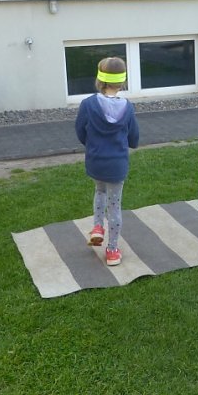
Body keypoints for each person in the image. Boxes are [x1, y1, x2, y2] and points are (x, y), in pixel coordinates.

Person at [75, 57, 140, 266]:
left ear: (99, 79)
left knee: (99, 191)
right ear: (122, 82)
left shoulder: (87, 104)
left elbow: (80, 131)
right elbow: (134, 138)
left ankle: (97, 227)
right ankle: (112, 250)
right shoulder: (128, 108)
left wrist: (93, 145)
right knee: (115, 206)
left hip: (95, 162)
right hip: (117, 165)